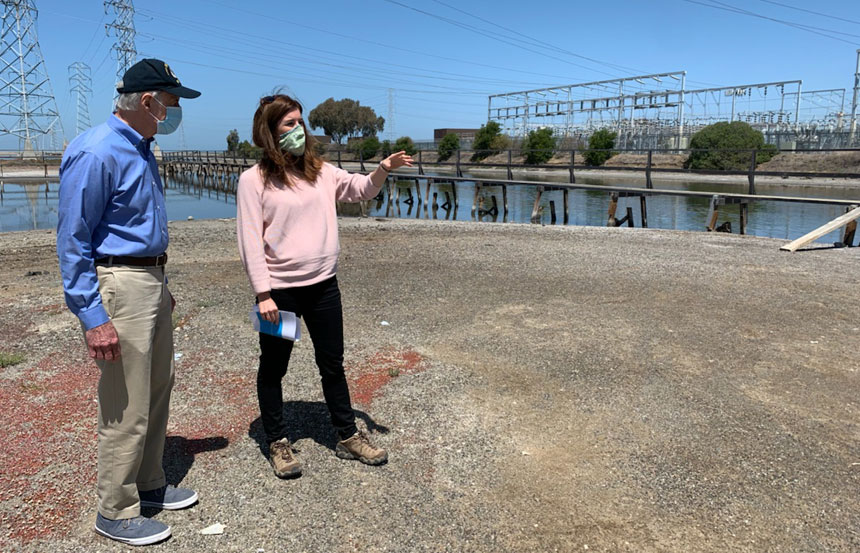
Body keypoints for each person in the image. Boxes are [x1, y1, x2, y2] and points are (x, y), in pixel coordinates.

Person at [56, 59, 201, 546]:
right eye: (173, 102)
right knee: (126, 399)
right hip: (121, 281)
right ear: (148, 101)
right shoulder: (98, 151)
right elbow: (73, 239)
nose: (175, 111)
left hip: (150, 279)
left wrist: (161, 281)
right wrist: (93, 315)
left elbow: (137, 225)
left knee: (158, 384)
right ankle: (115, 510)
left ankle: (149, 482)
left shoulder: (142, 149)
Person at [236, 93, 413, 478]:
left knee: (332, 364)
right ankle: (277, 441)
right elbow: (249, 240)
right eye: (288, 124)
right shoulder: (253, 181)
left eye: (300, 122)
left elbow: (362, 189)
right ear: (269, 131)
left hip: (323, 288)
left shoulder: (321, 171)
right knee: (273, 366)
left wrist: (383, 168)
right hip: (278, 293)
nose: (298, 130)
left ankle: (347, 435)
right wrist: (263, 293)